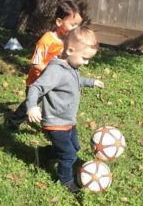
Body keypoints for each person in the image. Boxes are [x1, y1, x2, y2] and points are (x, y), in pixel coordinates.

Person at [26, 27, 104, 192]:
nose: (86, 62)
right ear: (69, 50)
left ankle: (44, 154)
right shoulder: (56, 70)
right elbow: (36, 88)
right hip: (56, 122)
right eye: (84, 58)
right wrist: (32, 107)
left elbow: (73, 80)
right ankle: (66, 181)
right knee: (68, 155)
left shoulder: (70, 67)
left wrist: (90, 82)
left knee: (74, 148)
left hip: (68, 120)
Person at [6, 0, 82, 129]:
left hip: (54, 83)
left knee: (53, 104)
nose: (76, 29)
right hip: (37, 82)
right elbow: (36, 64)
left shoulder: (69, 41)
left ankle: (52, 126)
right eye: (73, 25)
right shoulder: (46, 41)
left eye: (78, 25)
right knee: (29, 105)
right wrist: (52, 73)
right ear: (59, 22)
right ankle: (13, 122)